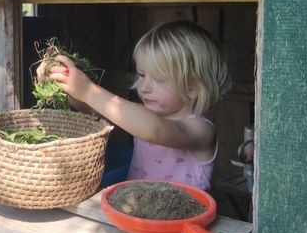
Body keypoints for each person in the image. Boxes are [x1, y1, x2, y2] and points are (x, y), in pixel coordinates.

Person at [36, 21, 230, 190]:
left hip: (178, 227)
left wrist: (88, 91)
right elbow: (95, 110)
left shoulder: (201, 130)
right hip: (135, 216)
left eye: (160, 79)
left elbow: (155, 130)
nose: (143, 87)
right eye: (142, 74)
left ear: (193, 88)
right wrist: (68, 87)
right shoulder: (143, 116)